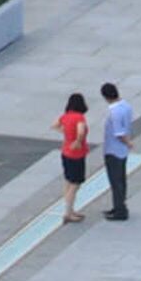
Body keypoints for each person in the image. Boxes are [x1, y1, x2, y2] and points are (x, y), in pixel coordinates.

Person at [97, 81, 134, 220]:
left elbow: (119, 133)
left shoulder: (115, 112)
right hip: (122, 151)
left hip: (114, 150)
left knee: (116, 181)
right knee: (121, 180)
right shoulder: (126, 106)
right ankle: (119, 206)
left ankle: (120, 211)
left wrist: (128, 142)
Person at [55, 91, 92, 225]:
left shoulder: (65, 116)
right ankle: (68, 212)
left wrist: (66, 134)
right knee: (75, 184)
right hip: (76, 155)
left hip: (65, 152)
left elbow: (55, 125)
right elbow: (81, 131)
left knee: (68, 181)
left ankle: (70, 209)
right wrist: (77, 141)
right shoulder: (79, 118)